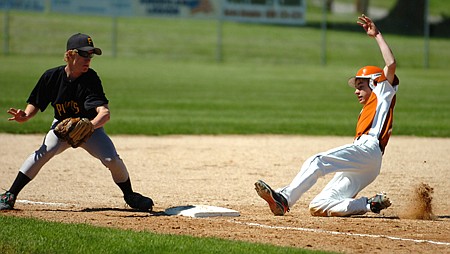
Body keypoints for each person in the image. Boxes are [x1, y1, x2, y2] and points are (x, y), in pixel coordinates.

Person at [255, 15, 399, 217]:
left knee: (317, 162)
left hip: (368, 149)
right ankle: (369, 204)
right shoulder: (367, 108)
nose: (356, 91)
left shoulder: (382, 91)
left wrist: (377, 35)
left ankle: (285, 199)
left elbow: (391, 64)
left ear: (374, 82)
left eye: (361, 86)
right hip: (368, 164)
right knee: (318, 206)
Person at [1, 33, 154, 212]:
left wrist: (89, 126)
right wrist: (26, 115)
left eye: (91, 55)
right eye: (85, 54)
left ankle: (130, 195)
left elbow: (104, 113)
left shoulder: (91, 79)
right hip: (61, 127)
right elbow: (36, 102)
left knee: (111, 159)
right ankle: (10, 195)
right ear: (70, 55)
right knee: (44, 152)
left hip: (91, 129)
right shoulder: (52, 76)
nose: (89, 59)